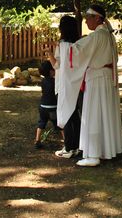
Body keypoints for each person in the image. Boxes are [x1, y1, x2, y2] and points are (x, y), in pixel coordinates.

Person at [70, 4, 122, 167]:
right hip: (105, 78)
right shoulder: (107, 35)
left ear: (98, 18)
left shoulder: (97, 36)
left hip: (97, 79)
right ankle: (106, 150)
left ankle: (93, 154)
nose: (86, 21)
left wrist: (64, 49)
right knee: (104, 113)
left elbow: (77, 51)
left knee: (93, 114)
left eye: (88, 17)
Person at [48, 15, 82, 159]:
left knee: (65, 115)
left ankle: (69, 147)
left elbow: (57, 65)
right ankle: (78, 146)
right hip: (76, 84)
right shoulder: (79, 44)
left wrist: (49, 54)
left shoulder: (61, 45)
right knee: (74, 115)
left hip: (62, 84)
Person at [34, 60, 60, 149]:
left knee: (41, 123)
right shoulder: (55, 81)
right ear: (51, 71)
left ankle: (37, 140)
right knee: (59, 125)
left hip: (43, 107)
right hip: (53, 107)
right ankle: (67, 142)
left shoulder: (42, 81)